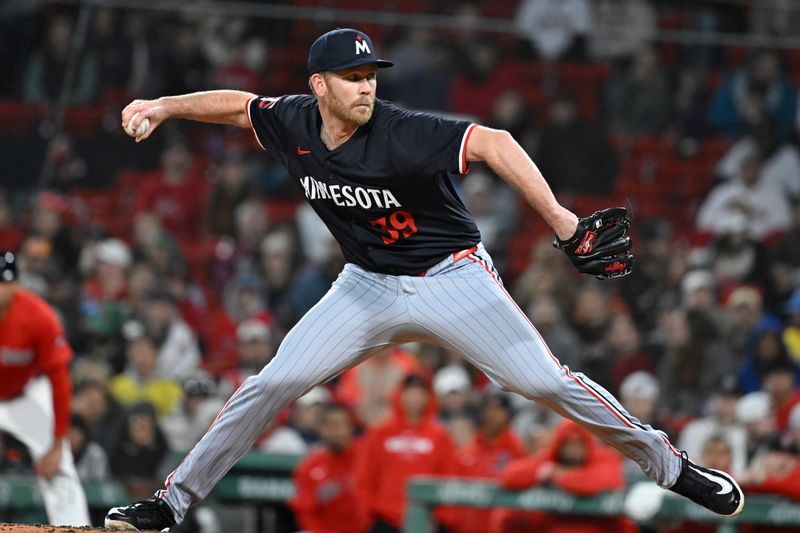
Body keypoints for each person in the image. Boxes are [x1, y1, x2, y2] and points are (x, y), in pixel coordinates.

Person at [106, 28, 744, 531]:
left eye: (369, 76)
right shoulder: (295, 121)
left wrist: (559, 219)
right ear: (318, 86)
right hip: (366, 285)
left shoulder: (402, 132)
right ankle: (171, 503)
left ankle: (670, 465)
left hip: (452, 279)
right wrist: (163, 105)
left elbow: (493, 142)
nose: (366, 88)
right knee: (274, 380)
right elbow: (239, 107)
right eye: (351, 78)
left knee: (544, 381)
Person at [0, 252, 90, 526]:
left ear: (16, 284)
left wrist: (58, 441)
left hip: (24, 395)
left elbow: (59, 379)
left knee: (60, 466)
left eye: (4, 282)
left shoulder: (38, 316)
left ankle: (75, 528)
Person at [490, 419, 635, 533]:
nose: (574, 449)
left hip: (598, 526)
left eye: (579, 444)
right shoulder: (552, 459)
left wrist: (560, 476)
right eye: (569, 444)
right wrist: (545, 471)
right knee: (510, 517)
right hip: (557, 525)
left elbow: (591, 483)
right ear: (559, 445)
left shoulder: (604, 457)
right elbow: (509, 476)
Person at [356, 374, 454, 532]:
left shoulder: (440, 436)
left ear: (428, 397)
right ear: (400, 395)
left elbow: (447, 477)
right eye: (410, 392)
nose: (414, 398)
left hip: (426, 519)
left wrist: (441, 518)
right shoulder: (380, 433)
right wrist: (367, 516)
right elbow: (365, 476)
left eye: (420, 393)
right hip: (385, 519)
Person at [289, 402, 370, 533]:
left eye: (341, 425)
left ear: (350, 427)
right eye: (332, 426)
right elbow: (304, 511)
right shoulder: (310, 465)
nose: (337, 431)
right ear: (321, 429)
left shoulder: (367, 455)